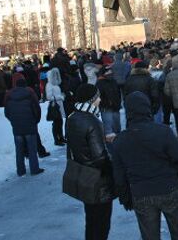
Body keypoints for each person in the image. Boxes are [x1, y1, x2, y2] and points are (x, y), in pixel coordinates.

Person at [112, 92, 178, 240]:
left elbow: (118, 174)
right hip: (169, 188)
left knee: (149, 236)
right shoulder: (163, 131)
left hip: (141, 193)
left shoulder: (120, 140)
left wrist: (125, 197)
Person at [65, 84, 115, 240]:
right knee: (101, 223)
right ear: (91, 100)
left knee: (91, 221)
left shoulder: (72, 117)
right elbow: (100, 157)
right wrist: (113, 172)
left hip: (84, 176)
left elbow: (77, 146)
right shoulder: (92, 121)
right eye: (97, 97)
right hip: (97, 180)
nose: (99, 100)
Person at [4, 79, 44, 176]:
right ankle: (34, 169)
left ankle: (20, 170)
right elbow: (37, 109)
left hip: (17, 126)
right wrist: (35, 121)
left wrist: (13, 121)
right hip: (30, 125)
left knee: (19, 150)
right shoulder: (30, 94)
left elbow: (7, 112)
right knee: (32, 149)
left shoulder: (9, 96)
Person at [96, 67, 122, 152]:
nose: (110, 73)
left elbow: (118, 93)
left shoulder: (113, 81)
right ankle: (111, 150)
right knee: (109, 131)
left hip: (115, 107)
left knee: (117, 129)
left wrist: (118, 103)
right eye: (108, 72)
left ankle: (118, 148)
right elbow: (99, 97)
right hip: (106, 108)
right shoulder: (100, 83)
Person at [45, 68, 67, 146]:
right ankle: (56, 140)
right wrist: (60, 97)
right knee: (56, 123)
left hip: (59, 105)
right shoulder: (49, 85)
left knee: (59, 122)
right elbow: (49, 97)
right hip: (55, 106)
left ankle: (61, 137)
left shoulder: (55, 84)